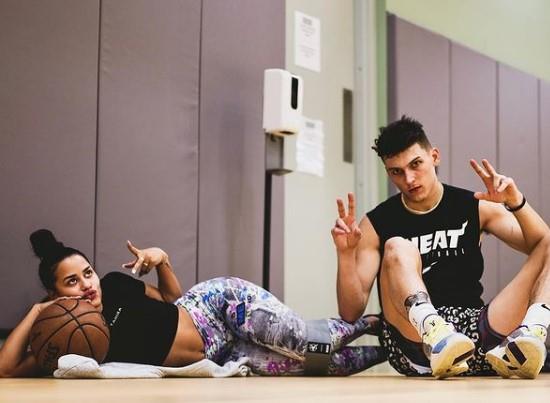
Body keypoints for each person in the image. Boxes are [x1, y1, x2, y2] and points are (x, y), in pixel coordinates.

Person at [331, 116, 550, 379]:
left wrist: (516, 201)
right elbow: (350, 311)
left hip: (476, 337)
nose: (409, 179)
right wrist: (345, 255)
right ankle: (437, 334)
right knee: (398, 246)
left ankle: (531, 333)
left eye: (416, 164)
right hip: (415, 343)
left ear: (434, 156)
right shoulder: (376, 222)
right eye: (396, 172)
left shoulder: (474, 206)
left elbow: (542, 244)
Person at [0, 229, 385, 378]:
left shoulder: (115, 285)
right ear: (54, 294)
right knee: (317, 366)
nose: (87, 285)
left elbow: (173, 298)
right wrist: (37, 311)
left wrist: (162, 260)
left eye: (87, 273)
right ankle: (390, 350)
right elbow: (6, 370)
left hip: (218, 306)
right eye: (72, 281)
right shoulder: (68, 340)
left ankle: (373, 323)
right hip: (222, 354)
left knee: (305, 341)